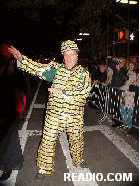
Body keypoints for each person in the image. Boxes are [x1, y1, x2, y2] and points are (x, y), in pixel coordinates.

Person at [8, 40, 91, 180]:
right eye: (66, 54)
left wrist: (63, 92)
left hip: (74, 116)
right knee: (47, 140)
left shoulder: (84, 74)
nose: (68, 58)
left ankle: (78, 160)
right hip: (54, 115)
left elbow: (84, 94)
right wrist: (22, 59)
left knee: (76, 140)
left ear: (77, 56)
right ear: (63, 56)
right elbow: (37, 68)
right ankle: (43, 169)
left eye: (71, 54)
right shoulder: (56, 70)